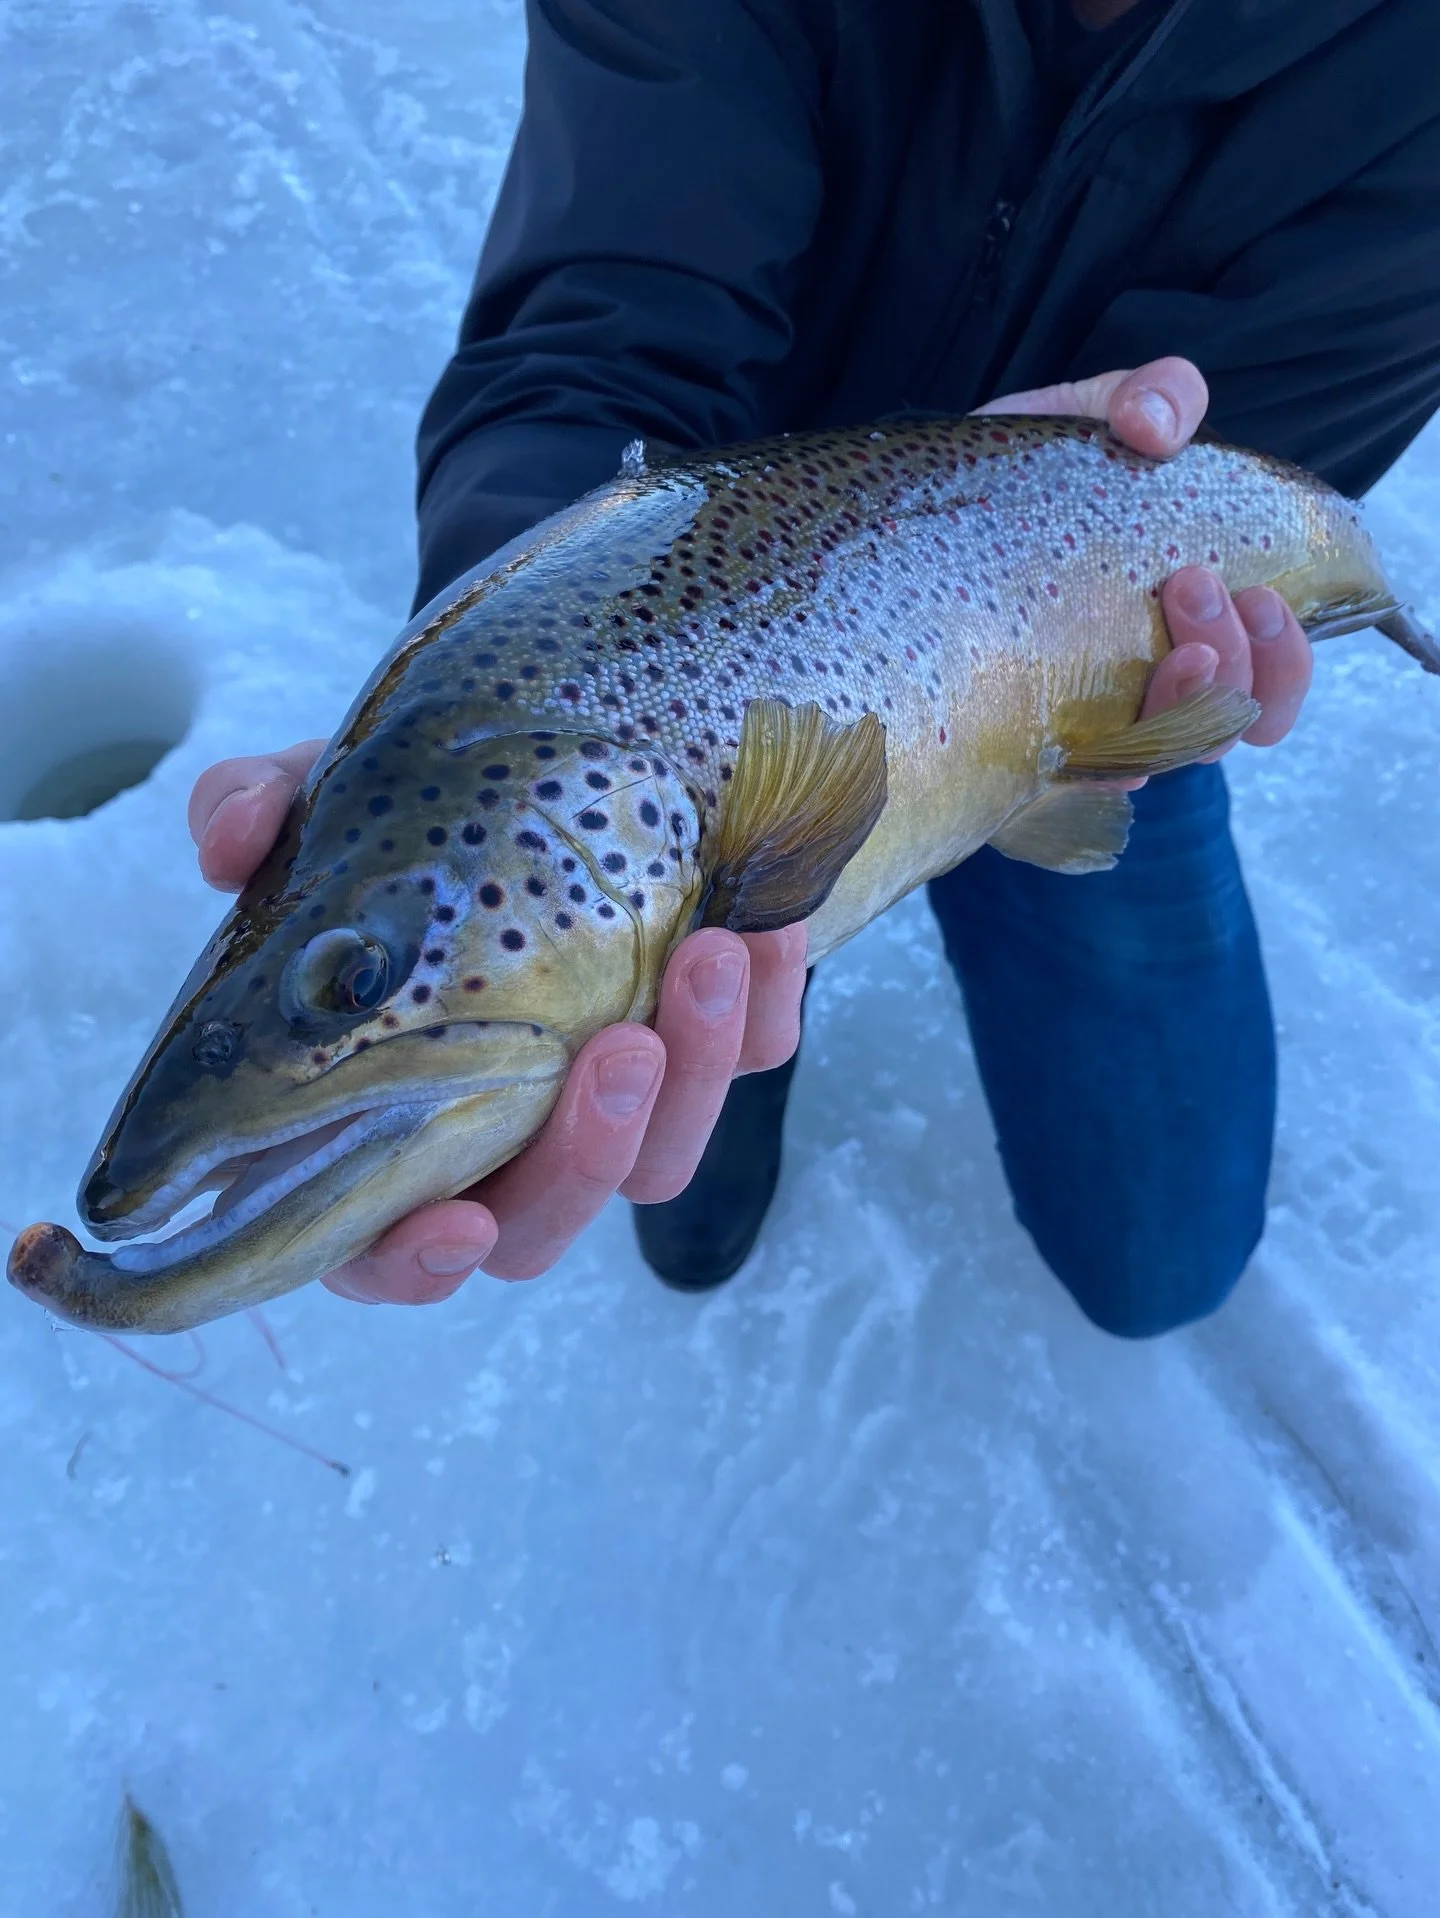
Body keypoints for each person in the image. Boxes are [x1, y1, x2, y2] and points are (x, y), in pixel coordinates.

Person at [188, 0, 1440, 1333]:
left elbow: (1237, 473)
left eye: (353, 979)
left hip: (1098, 667)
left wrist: (1112, 566)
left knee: (1160, 1264)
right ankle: (714, 1021)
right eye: (352, 983)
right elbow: (602, 331)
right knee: (678, 1100)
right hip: (689, 660)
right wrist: (497, 654)